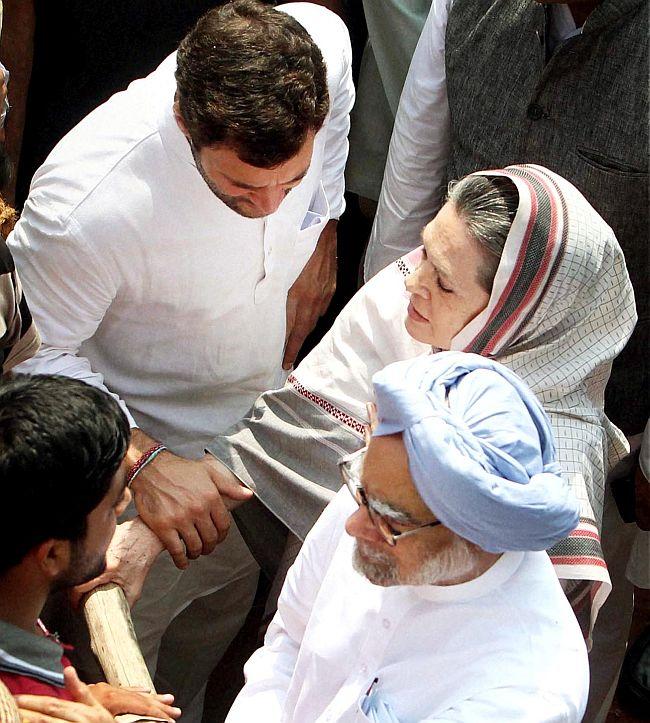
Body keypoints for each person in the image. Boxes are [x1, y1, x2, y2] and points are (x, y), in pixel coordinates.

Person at [8, 1, 354, 716]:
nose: (267, 207)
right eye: (240, 191)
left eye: (287, 183)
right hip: (137, 493)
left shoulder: (325, 43)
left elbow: (339, 114)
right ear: (183, 122)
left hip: (256, 438)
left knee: (212, 646)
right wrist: (144, 459)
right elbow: (32, 363)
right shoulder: (85, 203)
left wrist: (323, 221)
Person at [205, 164, 635, 639]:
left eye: (444, 281)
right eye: (425, 250)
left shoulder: (549, 470)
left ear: (516, 319)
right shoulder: (424, 306)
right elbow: (302, 423)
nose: (412, 281)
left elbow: (503, 646)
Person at [226, 353, 589, 722]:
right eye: (361, 492)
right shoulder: (380, 494)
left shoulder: (522, 693)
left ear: (474, 536)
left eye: (391, 525)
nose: (353, 526)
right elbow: (289, 643)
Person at [0, 374, 180, 721]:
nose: (125, 500)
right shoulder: (25, 701)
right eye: (113, 507)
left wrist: (76, 692)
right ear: (52, 554)